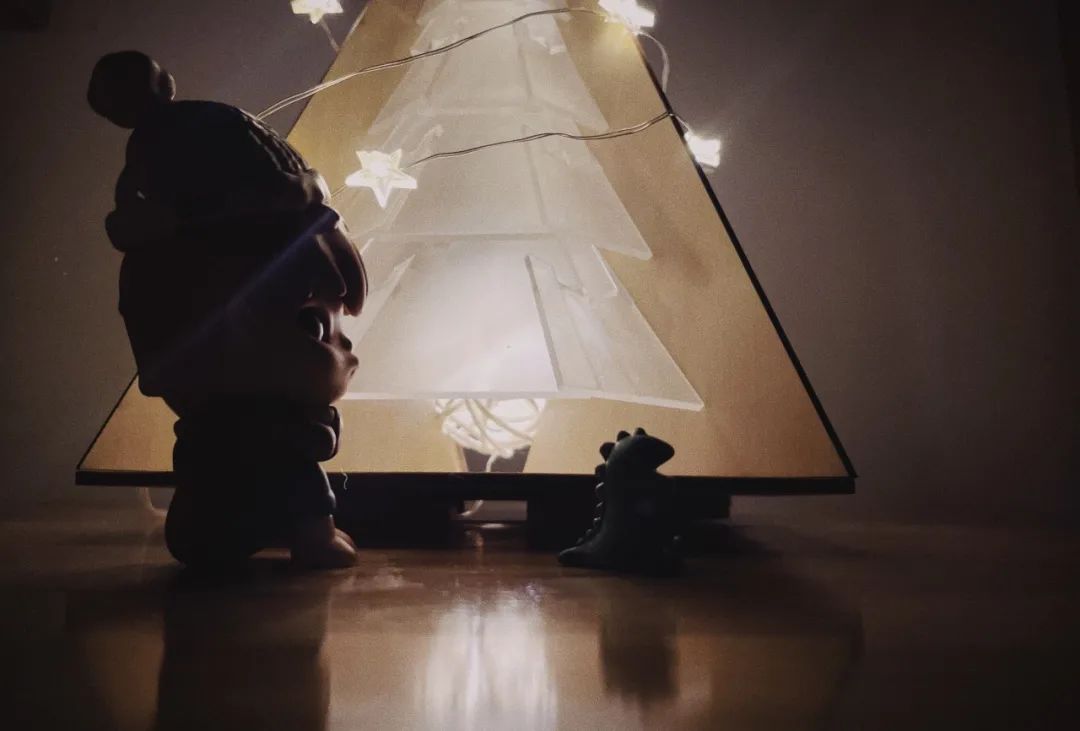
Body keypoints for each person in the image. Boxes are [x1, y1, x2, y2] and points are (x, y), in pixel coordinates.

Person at [88, 50, 366, 568]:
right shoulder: (265, 423)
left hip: (212, 496)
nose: (346, 348)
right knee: (286, 478)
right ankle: (307, 536)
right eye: (313, 327)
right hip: (223, 496)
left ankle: (246, 534)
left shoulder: (216, 422)